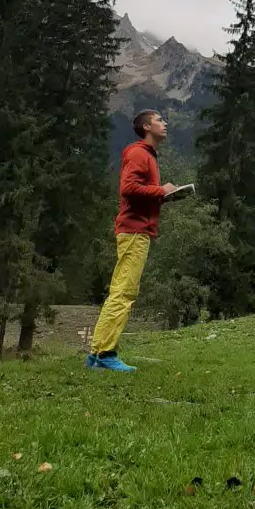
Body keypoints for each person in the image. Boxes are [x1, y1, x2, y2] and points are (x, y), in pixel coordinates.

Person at [86, 109, 177, 372]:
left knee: (119, 290)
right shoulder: (139, 153)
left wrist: (164, 195)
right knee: (124, 292)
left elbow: (138, 190)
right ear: (147, 127)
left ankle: (96, 354)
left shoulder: (145, 154)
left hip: (135, 229)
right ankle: (105, 354)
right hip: (135, 231)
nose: (165, 123)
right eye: (160, 120)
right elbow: (128, 188)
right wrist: (161, 190)